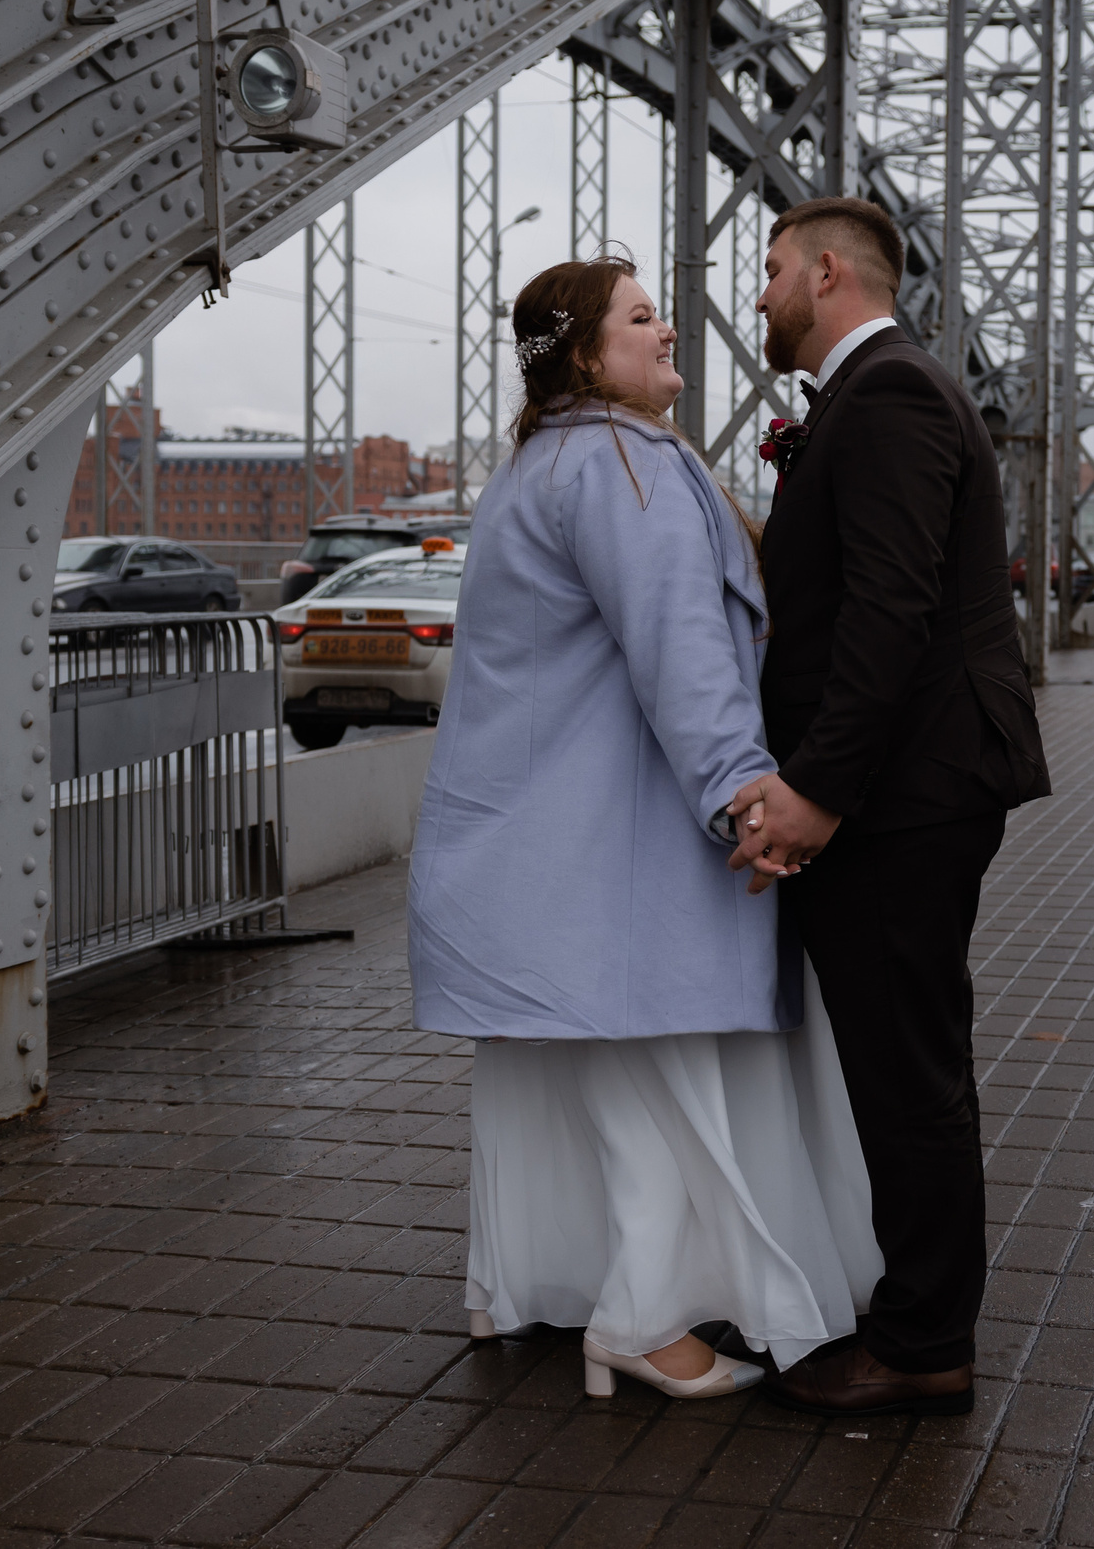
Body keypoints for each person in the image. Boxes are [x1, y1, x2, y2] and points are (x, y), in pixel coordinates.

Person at [406, 256, 882, 1401]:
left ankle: (520, 1284)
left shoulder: (532, 467)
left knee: (553, 1081)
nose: (668, 328)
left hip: (527, 845)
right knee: (666, 1091)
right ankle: (638, 1318)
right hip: (616, 854)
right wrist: (744, 796)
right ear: (584, 355)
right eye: (639, 316)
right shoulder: (631, 467)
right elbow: (685, 655)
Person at [726, 197, 1052, 1416]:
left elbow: (888, 613)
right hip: (912, 783)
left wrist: (815, 792)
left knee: (908, 1066)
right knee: (901, 1058)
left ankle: (923, 1346)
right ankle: (917, 1311)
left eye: (767, 273)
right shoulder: (874, 397)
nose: (756, 296)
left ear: (825, 274)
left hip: (907, 792)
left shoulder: (895, 395)